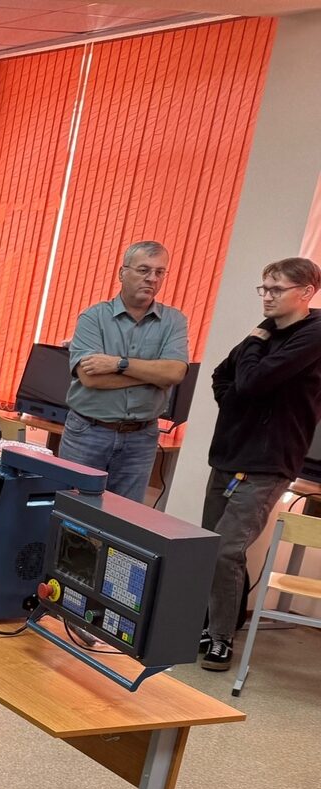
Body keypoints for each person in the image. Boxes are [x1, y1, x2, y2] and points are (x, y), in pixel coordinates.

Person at [197, 256, 321, 672]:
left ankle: (221, 638)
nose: (266, 297)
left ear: (306, 292)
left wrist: (257, 335)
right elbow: (222, 375)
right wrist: (238, 402)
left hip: (270, 462)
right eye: (264, 289)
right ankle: (213, 624)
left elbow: (253, 380)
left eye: (276, 289)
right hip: (229, 454)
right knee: (211, 546)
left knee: (227, 549)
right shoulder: (266, 332)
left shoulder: (314, 334)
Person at [61, 241, 191, 501]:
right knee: (71, 509)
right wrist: (152, 376)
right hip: (88, 433)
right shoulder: (93, 317)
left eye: (159, 272)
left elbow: (175, 373)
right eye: (144, 270)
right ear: (122, 273)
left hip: (141, 438)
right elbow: (90, 378)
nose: (152, 278)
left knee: (123, 516)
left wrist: (118, 364)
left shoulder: (174, 321)